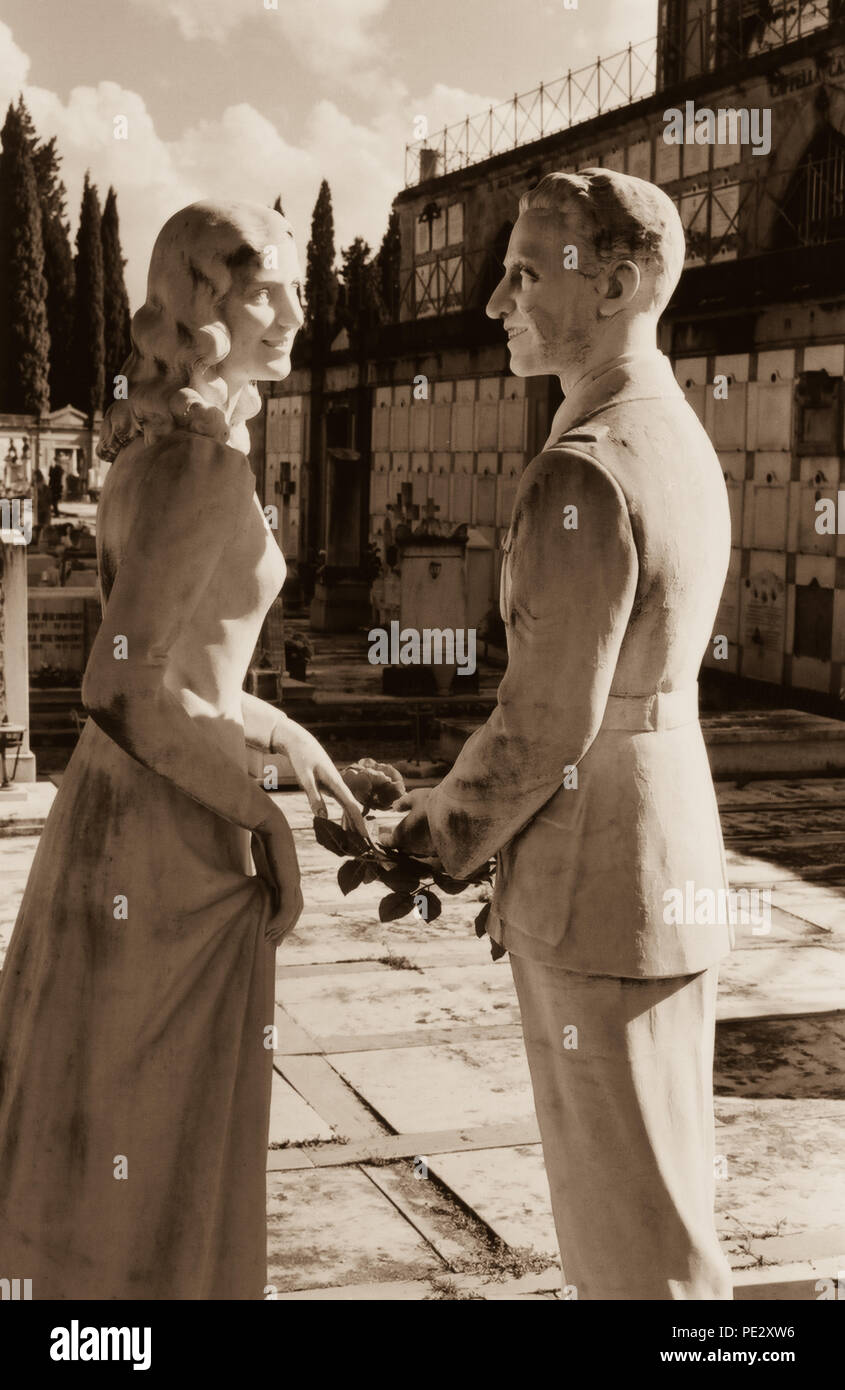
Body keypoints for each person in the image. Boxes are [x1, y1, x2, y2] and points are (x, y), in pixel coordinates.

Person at [0, 200, 367, 1300]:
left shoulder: (160, 457)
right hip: (168, 846)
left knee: (106, 1121)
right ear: (207, 310)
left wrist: (291, 744)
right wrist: (262, 819)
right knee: (151, 1139)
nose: (296, 305)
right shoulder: (200, 473)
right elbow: (119, 682)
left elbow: (180, 676)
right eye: (263, 285)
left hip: (117, 815)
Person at [391, 169, 735, 1300]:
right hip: (666, 850)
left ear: (619, 286)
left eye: (526, 273)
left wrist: (428, 833)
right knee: (662, 1202)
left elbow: (543, 723)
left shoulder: (582, 470)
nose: (495, 301)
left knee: (630, 1244)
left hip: (598, 875)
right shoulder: (671, 434)